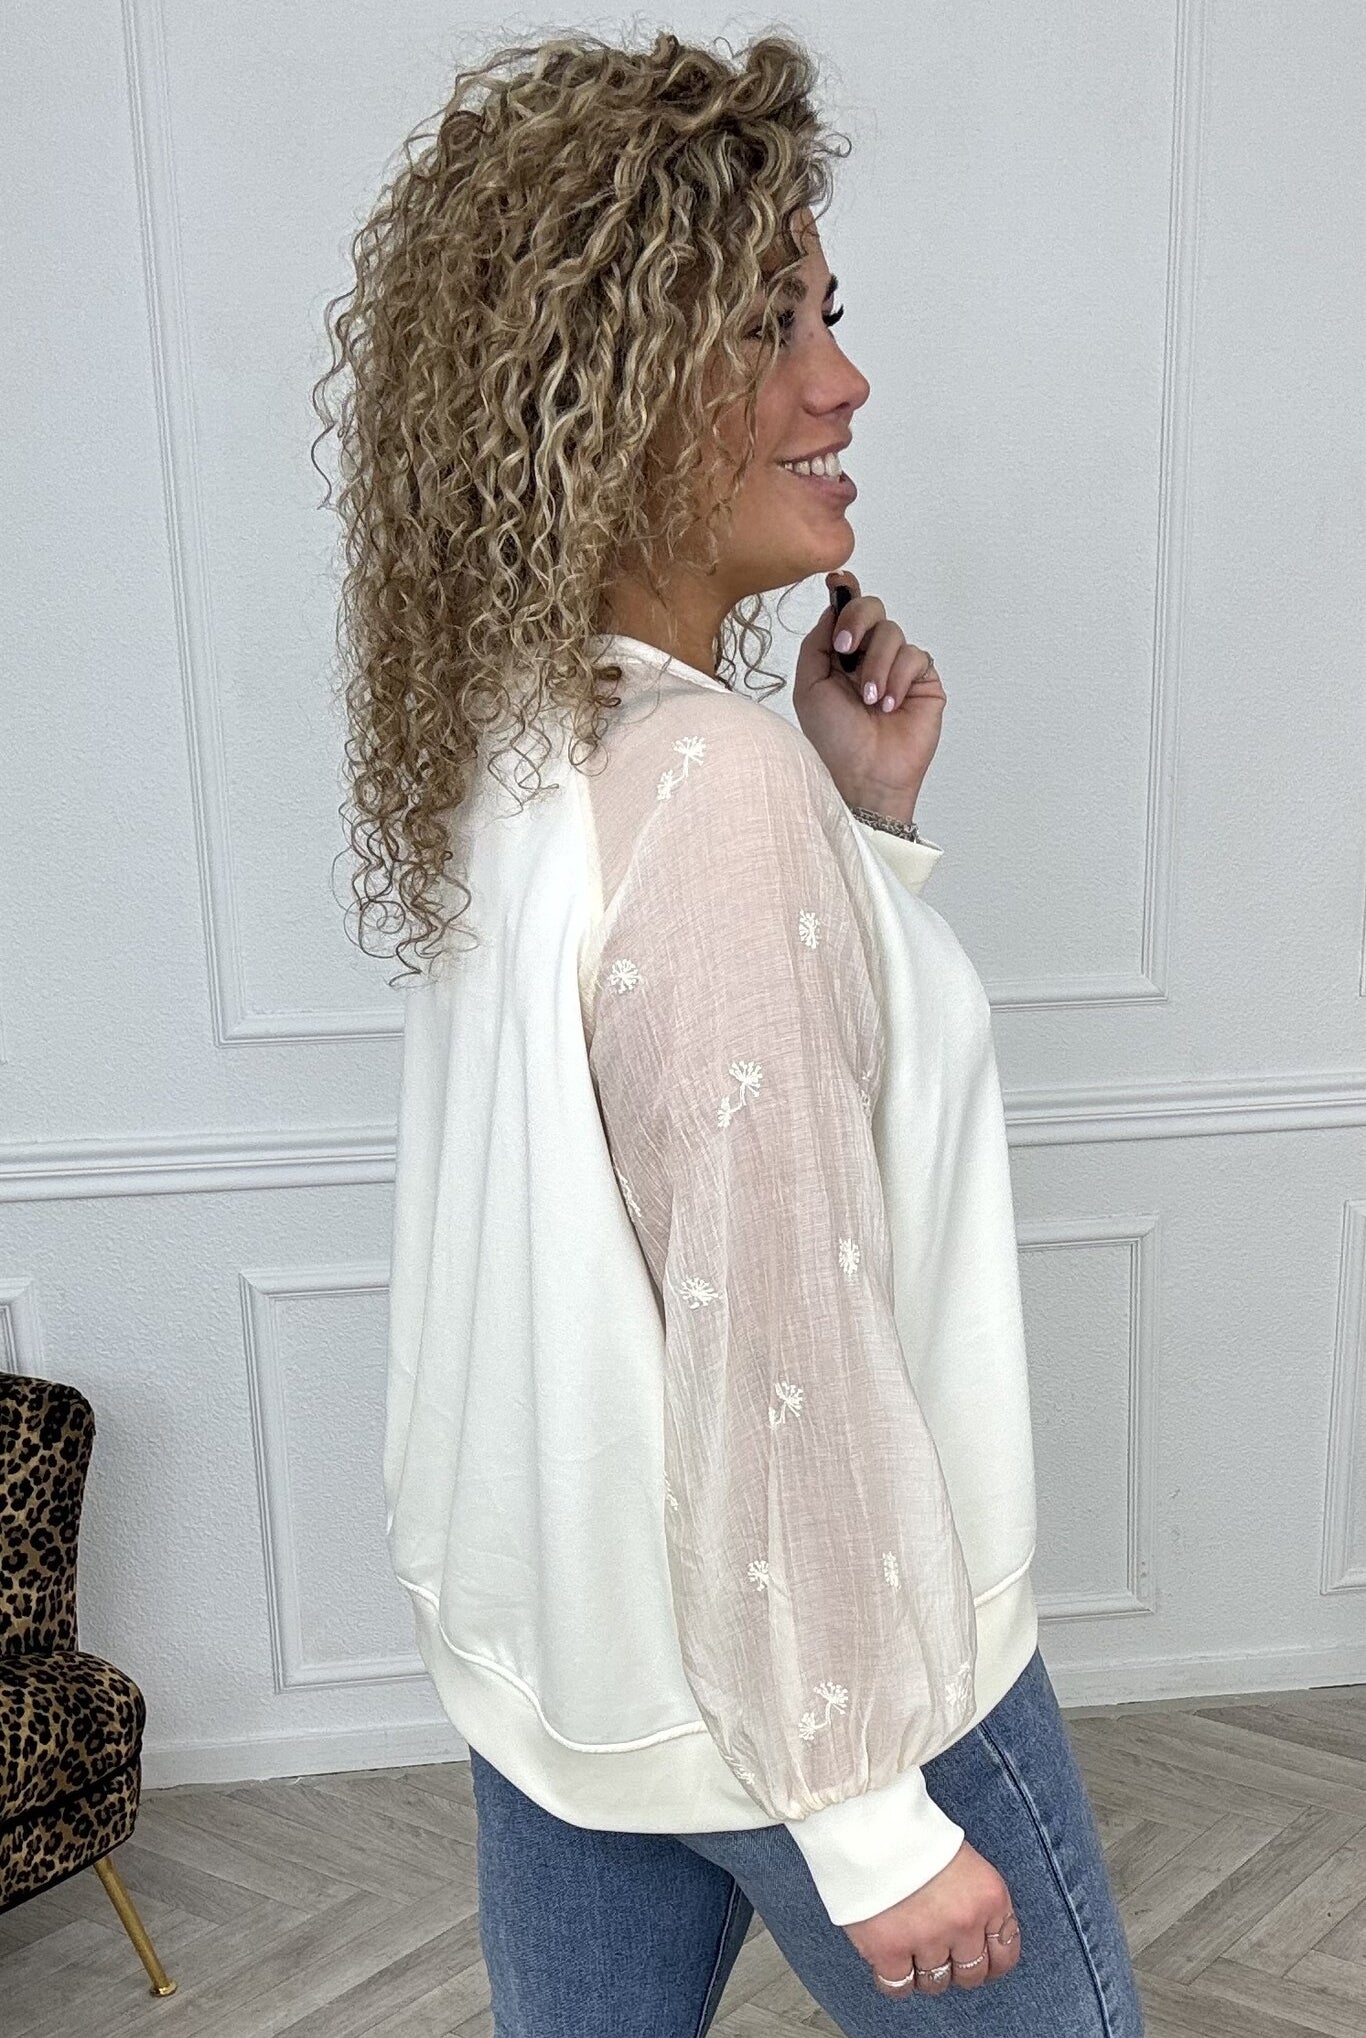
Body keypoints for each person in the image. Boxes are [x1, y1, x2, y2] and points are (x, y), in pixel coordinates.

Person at [313, 27, 1146, 2036]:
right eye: (766, 328)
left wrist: (861, 826)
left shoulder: (531, 735)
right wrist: (866, 1811)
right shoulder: (701, 789)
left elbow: (663, 1145)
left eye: (829, 316)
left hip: (575, 1671)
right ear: (599, 385)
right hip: (825, 1676)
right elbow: (771, 1318)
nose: (840, 382)